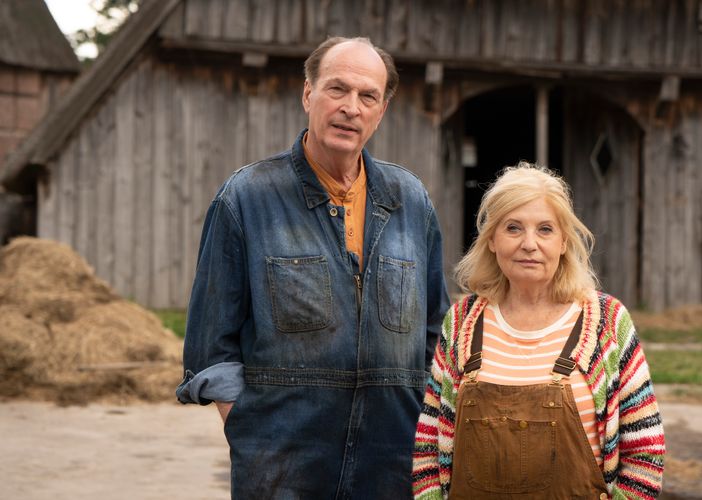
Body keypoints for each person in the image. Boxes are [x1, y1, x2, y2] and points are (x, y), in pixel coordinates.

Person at [177, 36, 450, 499]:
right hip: (282, 468)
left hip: (392, 462)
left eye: (368, 97)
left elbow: (434, 335)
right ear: (308, 94)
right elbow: (210, 345)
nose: (351, 108)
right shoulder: (247, 197)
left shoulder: (410, 200)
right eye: (337, 89)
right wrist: (255, 430)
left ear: (382, 110)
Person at [412, 162, 665, 499]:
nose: (529, 244)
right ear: (491, 240)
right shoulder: (461, 322)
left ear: (563, 242)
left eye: (545, 229)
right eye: (513, 228)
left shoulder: (606, 321)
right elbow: (429, 445)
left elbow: (645, 453)